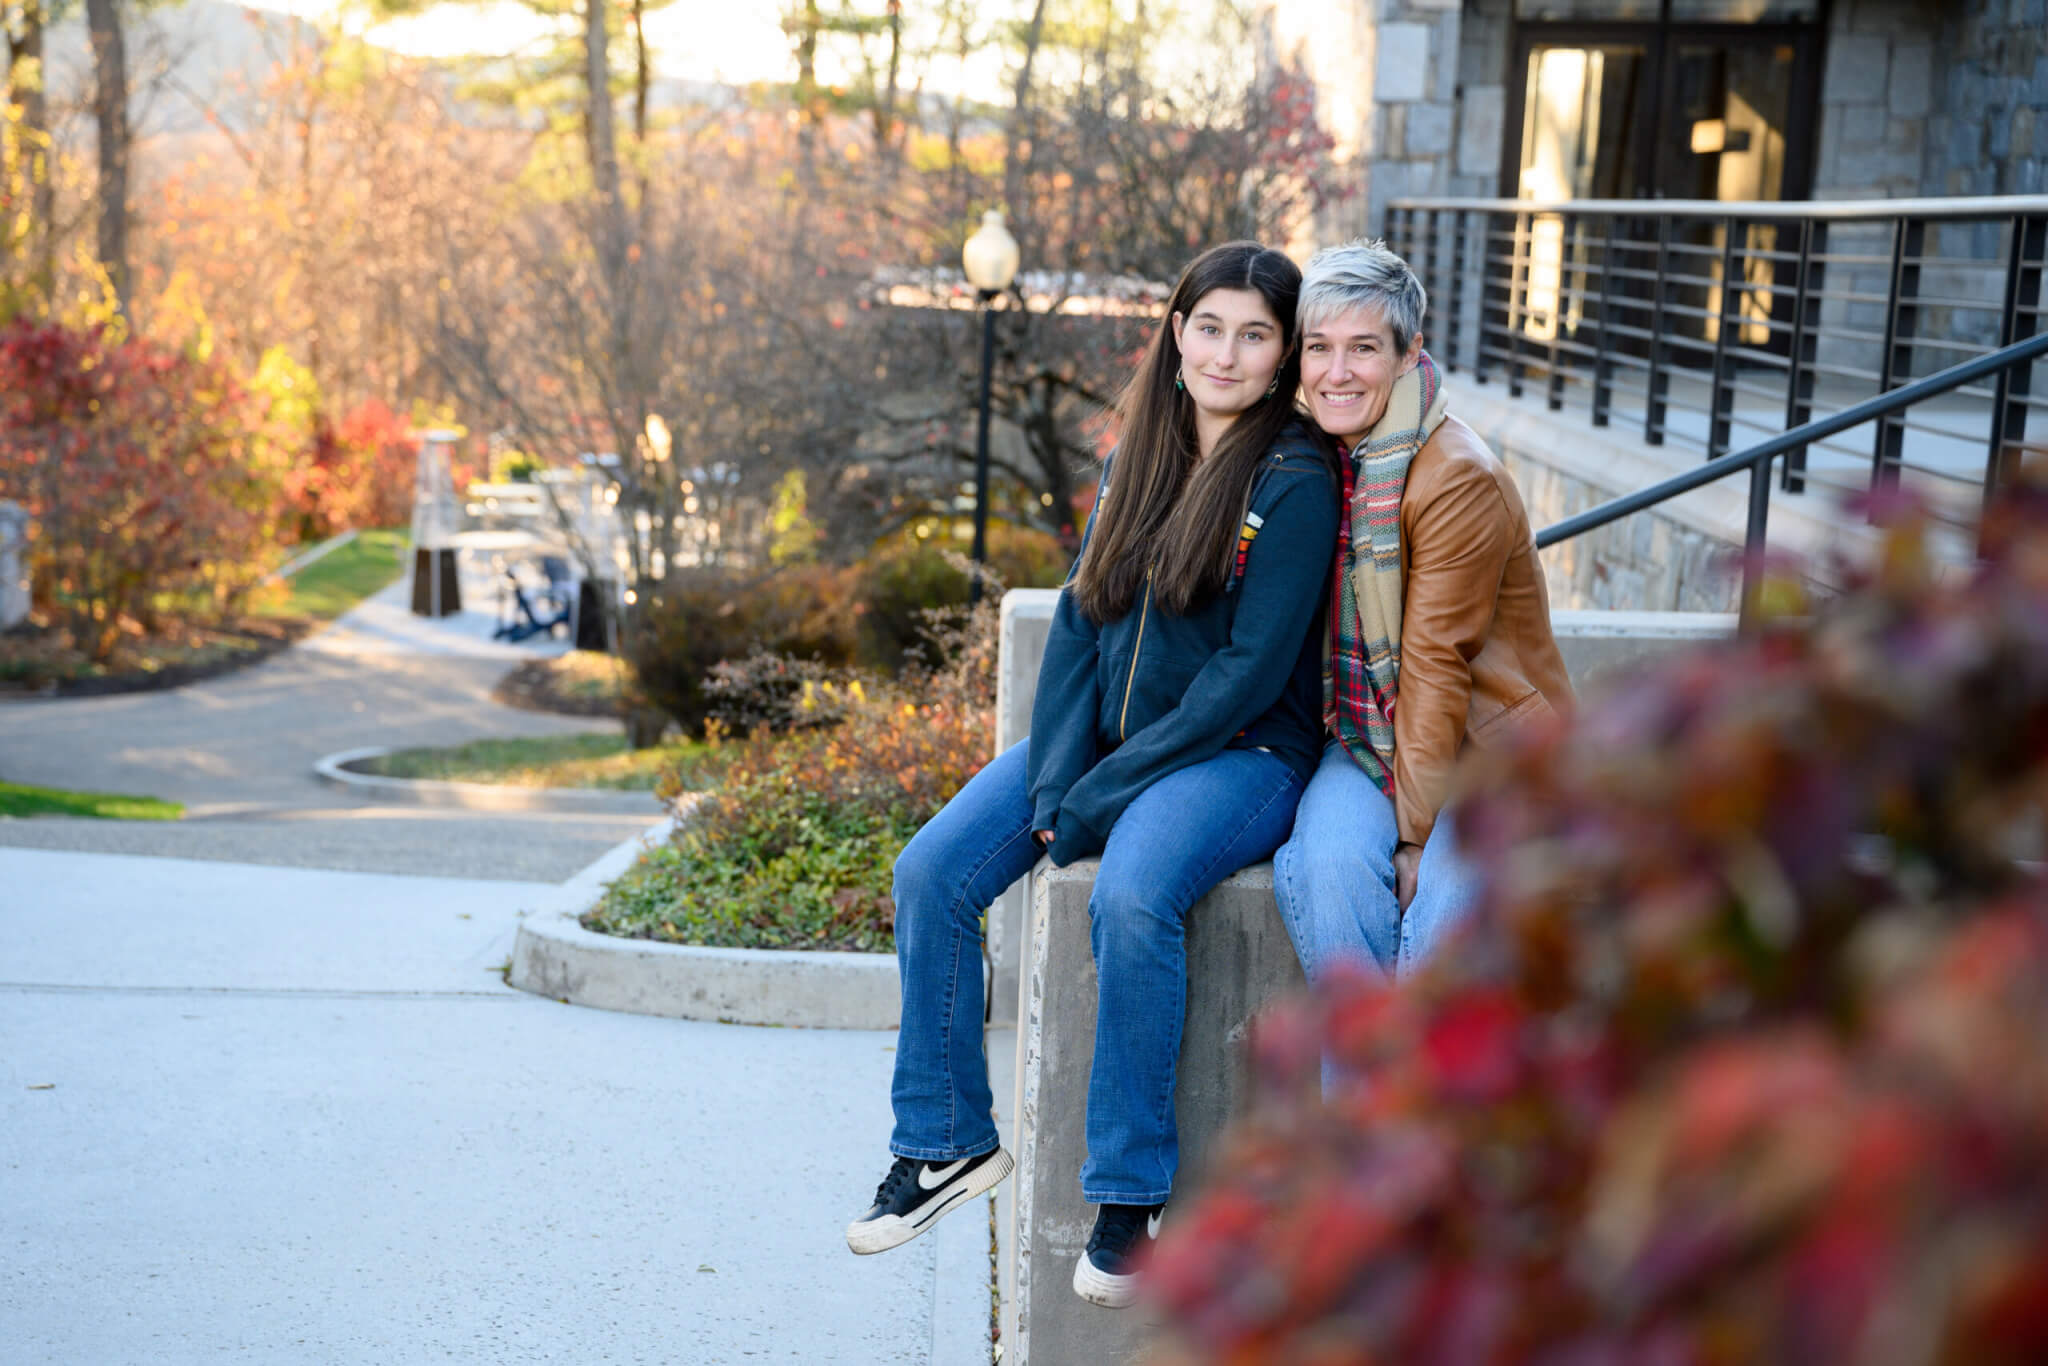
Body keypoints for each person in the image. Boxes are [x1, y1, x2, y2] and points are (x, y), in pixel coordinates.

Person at [844, 241, 1340, 1309]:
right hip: (1114, 747)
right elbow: (1077, 622)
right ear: (1174, 331)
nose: (1226, 351)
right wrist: (1057, 775)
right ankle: (943, 1142)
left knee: (1129, 893)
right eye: (1208, 325)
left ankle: (1129, 1196)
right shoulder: (1136, 455)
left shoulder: (1293, 479)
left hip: (1239, 754)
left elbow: (1246, 675)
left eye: (1255, 334)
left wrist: (1099, 797)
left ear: (1281, 353)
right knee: (931, 871)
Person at [1273, 238, 1573, 990]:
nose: (1337, 372)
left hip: (1489, 752)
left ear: (1408, 356)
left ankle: (1418, 1100)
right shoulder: (1326, 457)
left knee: (1444, 911)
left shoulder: (1454, 478)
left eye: (1364, 348)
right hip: (1368, 736)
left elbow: (1436, 670)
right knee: (1330, 875)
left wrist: (1414, 838)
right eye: (1319, 347)